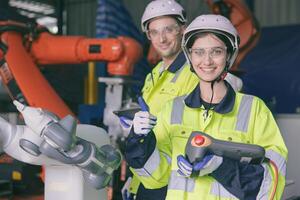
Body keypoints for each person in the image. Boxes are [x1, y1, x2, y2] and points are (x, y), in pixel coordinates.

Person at [125, 14, 288, 200]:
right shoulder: (173, 109)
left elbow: (272, 185)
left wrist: (221, 167)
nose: (207, 61)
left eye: (216, 52)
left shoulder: (254, 110)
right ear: (190, 55)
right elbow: (154, 177)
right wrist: (138, 140)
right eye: (199, 52)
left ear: (229, 55)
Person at [119, 0, 199, 199]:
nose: (161, 39)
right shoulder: (154, 74)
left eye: (168, 30)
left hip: (174, 181)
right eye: (154, 32)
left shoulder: (195, 73)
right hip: (148, 176)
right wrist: (134, 178)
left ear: (183, 29)